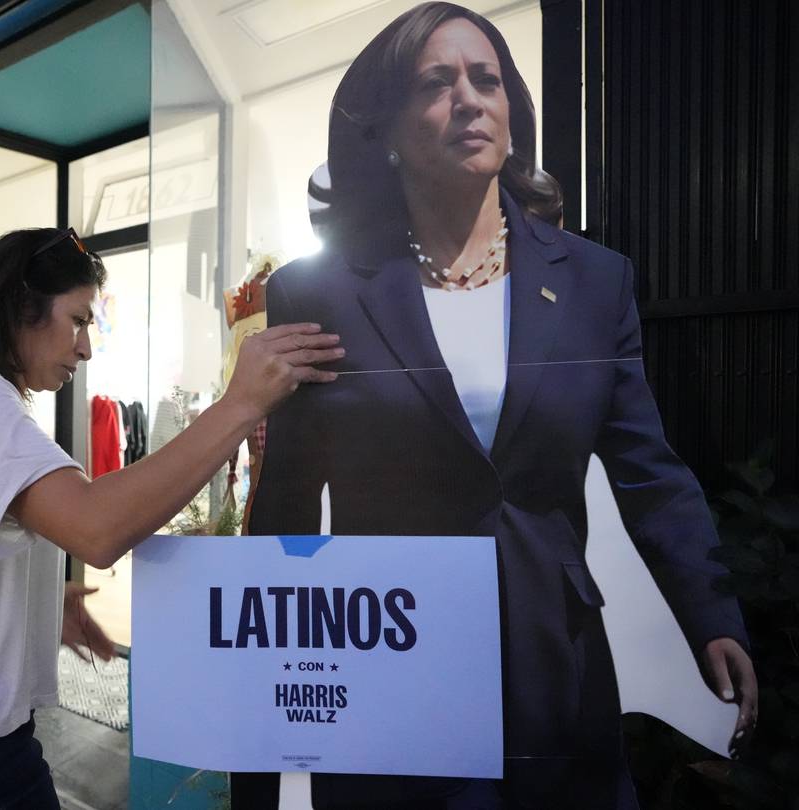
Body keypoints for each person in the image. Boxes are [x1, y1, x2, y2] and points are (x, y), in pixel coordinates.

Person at [240, 3, 756, 808]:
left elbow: (648, 470)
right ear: (387, 127)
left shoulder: (594, 280)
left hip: (553, 660)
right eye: (436, 83)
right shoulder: (317, 292)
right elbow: (290, 502)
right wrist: (262, 731)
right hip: (393, 663)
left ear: (514, 114)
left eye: (488, 80)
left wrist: (709, 610)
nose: (469, 99)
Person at [0, 226, 344, 808]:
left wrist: (34, 601)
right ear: (21, 305)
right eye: (79, 319)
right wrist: (240, 405)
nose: (86, 348)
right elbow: (95, 527)